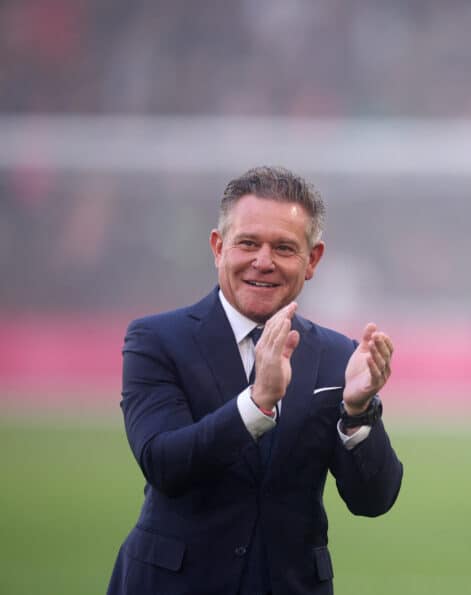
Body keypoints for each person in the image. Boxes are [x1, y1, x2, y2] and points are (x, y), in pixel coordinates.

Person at [107, 166, 403, 595]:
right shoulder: (156, 339)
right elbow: (164, 463)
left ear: (312, 259)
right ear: (218, 247)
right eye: (248, 243)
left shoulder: (339, 355)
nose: (263, 261)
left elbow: (374, 500)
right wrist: (257, 404)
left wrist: (357, 413)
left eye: (284, 247)